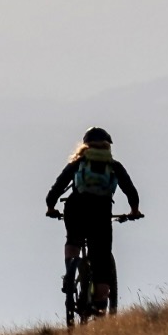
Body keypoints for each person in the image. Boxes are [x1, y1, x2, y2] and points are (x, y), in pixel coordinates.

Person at [44, 126, 141, 316]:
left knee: (73, 240)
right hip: (101, 213)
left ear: (85, 144)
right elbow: (130, 190)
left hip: (75, 208)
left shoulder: (78, 162)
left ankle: (70, 275)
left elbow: (58, 186)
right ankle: (100, 303)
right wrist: (134, 210)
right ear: (107, 146)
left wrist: (50, 207)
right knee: (102, 257)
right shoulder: (114, 165)